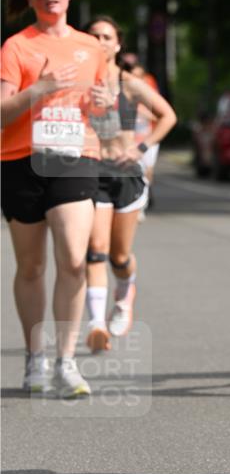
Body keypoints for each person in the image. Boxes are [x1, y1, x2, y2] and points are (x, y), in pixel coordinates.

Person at [1, 0, 106, 397]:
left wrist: (104, 104)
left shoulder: (91, 47)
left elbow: (105, 118)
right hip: (22, 160)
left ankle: (66, 361)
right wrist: (40, 87)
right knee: (31, 266)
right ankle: (34, 355)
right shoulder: (16, 47)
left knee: (74, 259)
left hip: (73, 158)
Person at [84, 17, 176, 351]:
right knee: (95, 251)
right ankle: (96, 324)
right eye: (93, 35)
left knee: (119, 256)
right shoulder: (78, 82)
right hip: (91, 172)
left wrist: (139, 147)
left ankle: (124, 296)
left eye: (106, 36)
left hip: (125, 174)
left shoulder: (128, 83)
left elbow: (168, 116)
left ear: (117, 44)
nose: (99, 41)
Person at [119, 52, 161, 210]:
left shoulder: (149, 82)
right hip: (130, 136)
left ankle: (145, 194)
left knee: (147, 167)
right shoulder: (120, 82)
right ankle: (136, 198)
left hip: (148, 134)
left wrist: (143, 112)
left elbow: (161, 114)